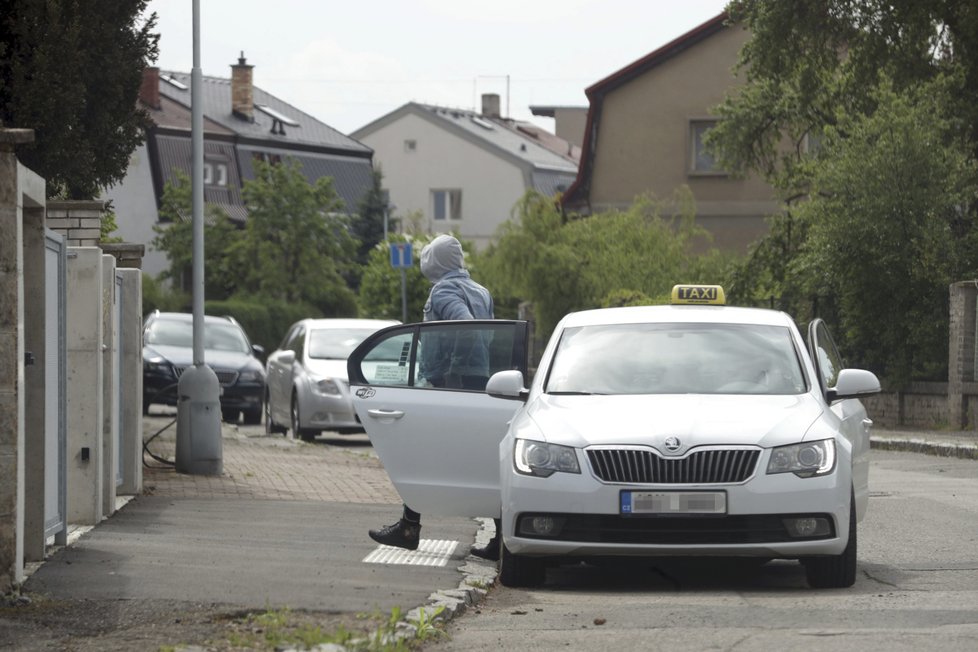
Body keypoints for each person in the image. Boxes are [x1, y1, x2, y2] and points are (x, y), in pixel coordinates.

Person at [368, 234, 501, 561]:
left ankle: (409, 528)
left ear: (436, 260)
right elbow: (489, 332)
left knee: (420, 451)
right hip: (479, 380)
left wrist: (452, 369)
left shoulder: (443, 290)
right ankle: (501, 535)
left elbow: (467, 326)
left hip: (449, 383)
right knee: (480, 457)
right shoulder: (481, 291)